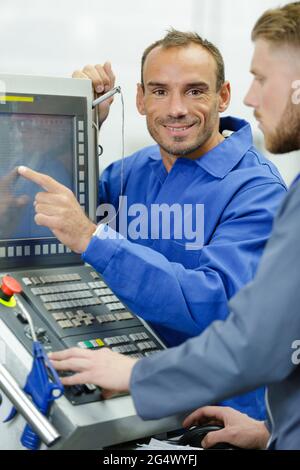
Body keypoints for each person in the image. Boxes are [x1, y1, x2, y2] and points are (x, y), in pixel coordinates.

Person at [45, 2, 300, 450]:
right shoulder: (124, 175)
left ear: (222, 97)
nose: (176, 109)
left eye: (195, 91)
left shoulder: (258, 190)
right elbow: (49, 226)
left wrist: (95, 238)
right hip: (118, 405)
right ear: (140, 98)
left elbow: (220, 304)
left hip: (212, 424)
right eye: (160, 91)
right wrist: (78, 128)